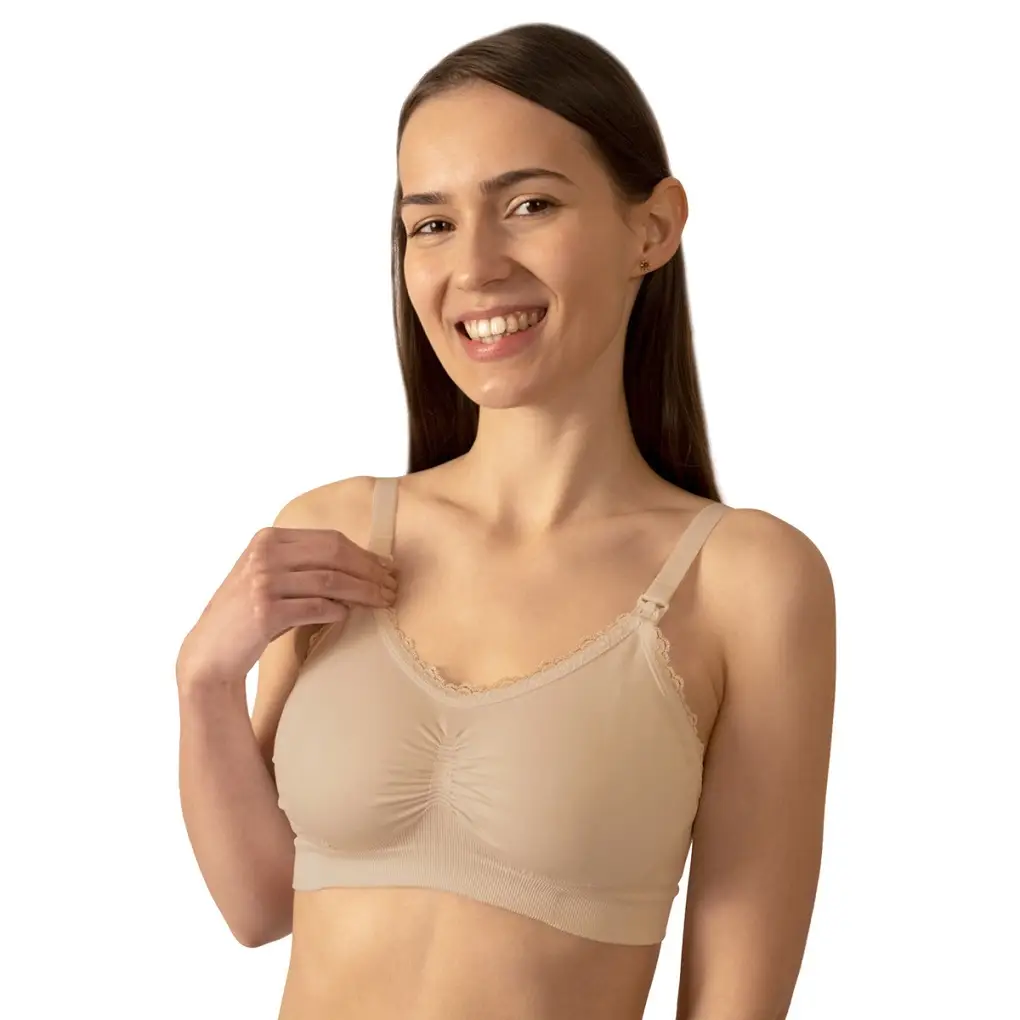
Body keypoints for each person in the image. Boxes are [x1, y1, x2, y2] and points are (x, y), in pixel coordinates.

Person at [176, 22, 837, 1020]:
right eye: (432, 224)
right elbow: (263, 903)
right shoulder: (337, 531)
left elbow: (737, 999)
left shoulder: (744, 580)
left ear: (653, 229)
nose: (476, 266)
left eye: (529, 205)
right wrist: (203, 682)